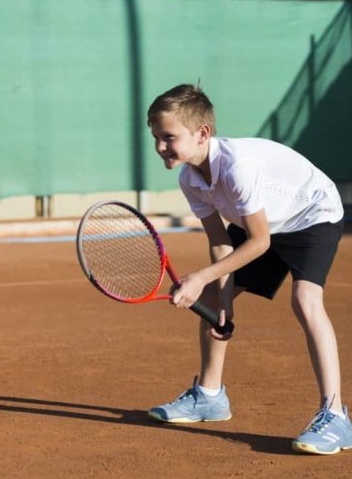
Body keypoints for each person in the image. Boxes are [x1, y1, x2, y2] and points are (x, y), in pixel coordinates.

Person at [145, 83, 351, 455]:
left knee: (305, 300)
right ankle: (209, 396)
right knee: (211, 297)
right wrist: (223, 299)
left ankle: (336, 416)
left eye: (168, 137)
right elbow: (220, 241)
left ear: (202, 133)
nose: (160, 146)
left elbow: (259, 243)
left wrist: (203, 276)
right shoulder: (190, 178)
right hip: (263, 220)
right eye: (156, 137)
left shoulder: (237, 167)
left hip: (311, 215)